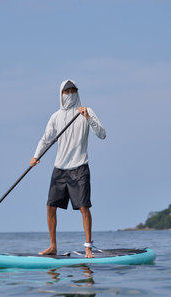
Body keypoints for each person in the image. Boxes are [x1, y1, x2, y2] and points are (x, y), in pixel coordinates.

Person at [29, 80, 106, 258]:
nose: (69, 94)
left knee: (84, 207)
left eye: (73, 91)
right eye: (66, 91)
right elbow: (46, 139)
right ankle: (53, 246)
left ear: (77, 93)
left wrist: (88, 117)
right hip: (60, 168)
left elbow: (102, 134)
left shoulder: (86, 111)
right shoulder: (55, 116)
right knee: (50, 207)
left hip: (80, 168)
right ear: (61, 94)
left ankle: (88, 247)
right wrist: (36, 156)